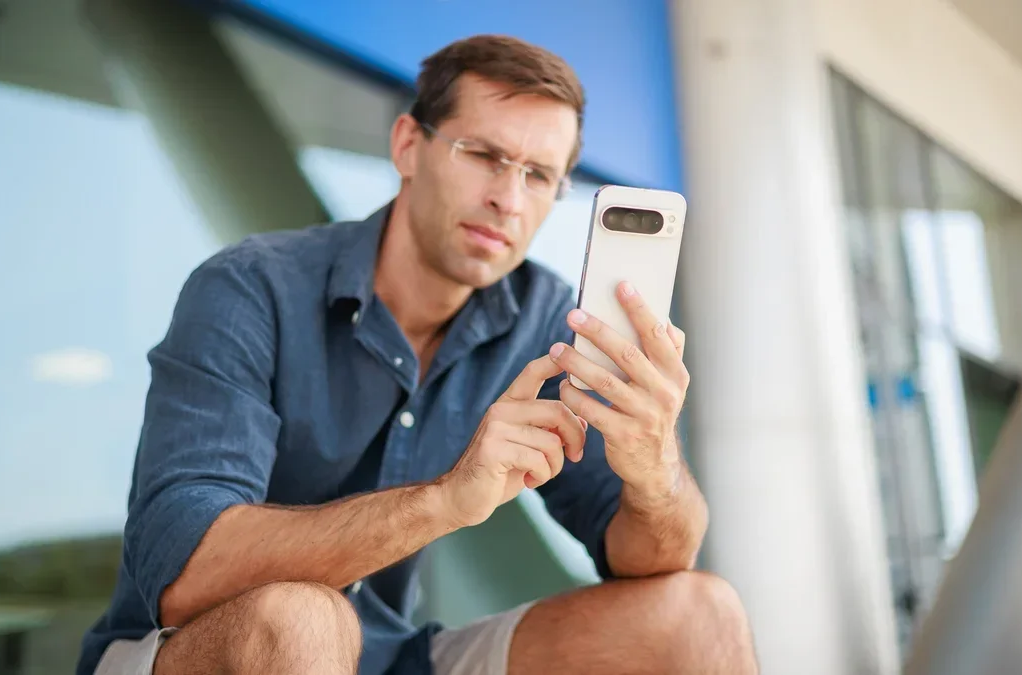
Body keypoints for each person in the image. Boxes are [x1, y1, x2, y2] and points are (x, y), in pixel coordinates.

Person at [78, 33, 757, 675]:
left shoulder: (551, 321)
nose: (507, 198)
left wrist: (654, 466)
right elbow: (183, 575)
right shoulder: (250, 288)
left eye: (539, 175)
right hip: (184, 650)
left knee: (701, 611)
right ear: (408, 144)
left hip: (396, 655)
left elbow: (650, 556)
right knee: (302, 617)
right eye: (484, 154)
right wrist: (444, 501)